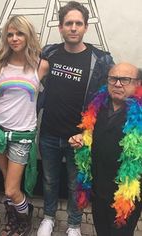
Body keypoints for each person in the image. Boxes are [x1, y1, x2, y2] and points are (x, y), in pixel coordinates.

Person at [36, 1, 114, 236]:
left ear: (85, 27)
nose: (73, 27)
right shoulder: (49, 52)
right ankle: (48, 218)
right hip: (49, 132)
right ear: (60, 27)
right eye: (68, 23)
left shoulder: (99, 59)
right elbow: (22, 63)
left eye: (78, 23)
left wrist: (88, 132)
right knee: (49, 180)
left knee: (75, 184)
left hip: (79, 137)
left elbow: (105, 98)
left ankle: (73, 224)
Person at [0, 15, 41, 236]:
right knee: (8, 186)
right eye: (10, 34)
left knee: (11, 188)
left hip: (21, 135)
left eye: (19, 33)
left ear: (28, 36)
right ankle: (16, 219)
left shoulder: (40, 64)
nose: (15, 38)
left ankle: (25, 218)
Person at [69, 62, 142, 236]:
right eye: (113, 79)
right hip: (98, 189)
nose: (117, 84)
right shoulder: (97, 105)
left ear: (138, 83)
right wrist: (81, 140)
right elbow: (89, 136)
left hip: (125, 196)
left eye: (125, 79)